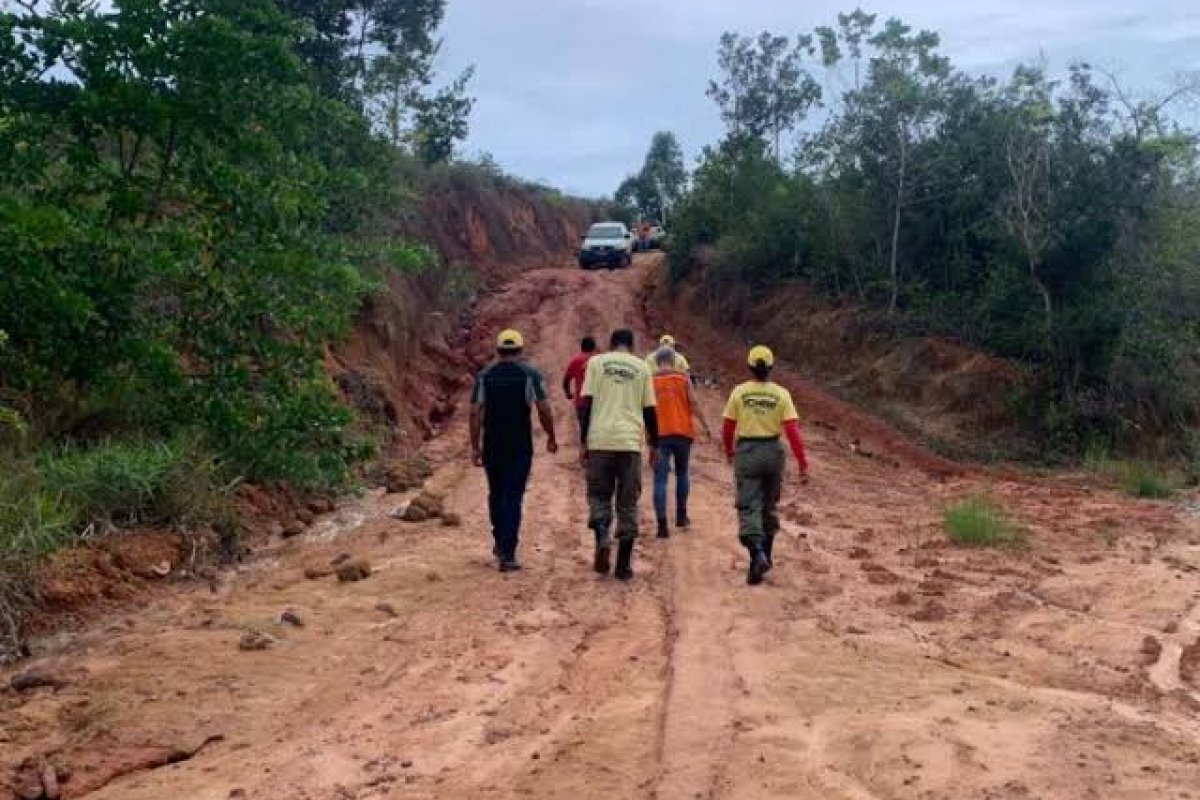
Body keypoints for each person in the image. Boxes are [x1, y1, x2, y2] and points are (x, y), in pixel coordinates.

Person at [470, 329, 558, 572]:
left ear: (498, 351)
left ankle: (499, 540)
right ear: (520, 351)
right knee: (513, 495)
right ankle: (508, 553)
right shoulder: (530, 374)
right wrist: (551, 435)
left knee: (496, 493)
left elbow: (475, 412)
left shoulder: (484, 376)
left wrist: (475, 446)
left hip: (492, 444)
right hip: (519, 444)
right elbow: (543, 408)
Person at [721, 345, 809, 586]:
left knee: (749, 506)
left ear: (750, 367)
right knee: (768, 506)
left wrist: (730, 451)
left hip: (748, 451)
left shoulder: (739, 392)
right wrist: (802, 462)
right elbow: (792, 431)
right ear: (770, 368)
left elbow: (728, 427)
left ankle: (757, 554)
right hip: (773, 451)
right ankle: (764, 559)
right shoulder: (781, 394)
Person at [579, 329, 659, 580]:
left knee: (599, 495)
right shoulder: (643, 367)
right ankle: (623, 565)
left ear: (611, 344)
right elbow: (649, 411)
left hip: (600, 440)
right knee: (628, 503)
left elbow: (586, 404)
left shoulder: (596, 363)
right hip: (630, 444)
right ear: (631, 346)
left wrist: (583, 441)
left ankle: (602, 535)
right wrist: (654, 444)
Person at [650, 346, 711, 538]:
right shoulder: (683, 379)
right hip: (683, 433)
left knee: (660, 479)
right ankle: (681, 516)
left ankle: (662, 526)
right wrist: (705, 425)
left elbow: (646, 409)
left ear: (658, 362)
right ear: (674, 361)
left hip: (659, 435)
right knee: (682, 473)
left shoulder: (651, 381)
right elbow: (693, 403)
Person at [561, 336, 597, 434]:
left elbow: (566, 381)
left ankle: (584, 446)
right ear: (594, 348)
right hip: (597, 402)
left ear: (581, 347)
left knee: (584, 429)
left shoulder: (575, 361)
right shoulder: (598, 361)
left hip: (581, 402)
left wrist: (568, 394)